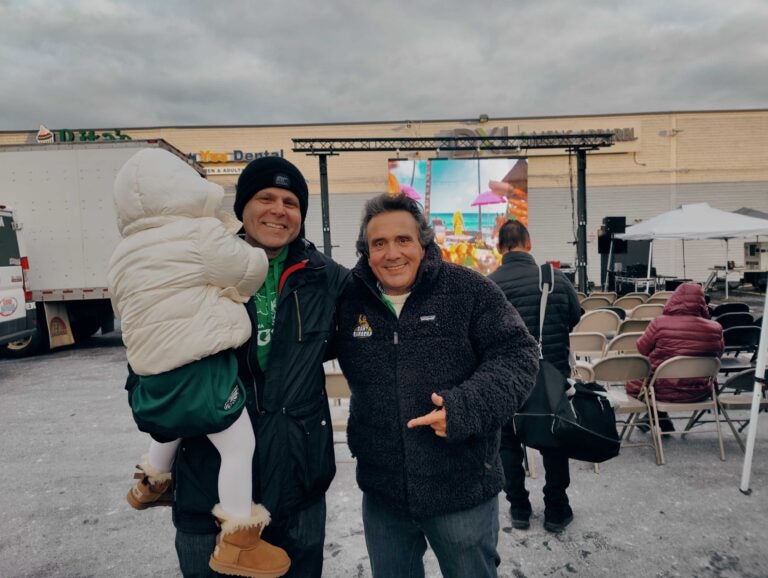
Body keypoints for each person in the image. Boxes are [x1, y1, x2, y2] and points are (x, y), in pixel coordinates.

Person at [334, 192, 539, 577]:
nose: (392, 253)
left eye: (403, 240)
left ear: (424, 243)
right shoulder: (349, 301)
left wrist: (464, 409)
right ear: (366, 252)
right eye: (379, 243)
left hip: (462, 488)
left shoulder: (469, 291)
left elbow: (519, 355)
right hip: (383, 493)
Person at [162, 156, 349, 577]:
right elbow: (151, 348)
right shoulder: (200, 270)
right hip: (208, 491)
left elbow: (380, 321)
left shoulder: (325, 277)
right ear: (242, 207)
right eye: (266, 197)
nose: (279, 209)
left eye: (291, 201)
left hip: (298, 489)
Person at [109, 149, 290, 577]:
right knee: (238, 445)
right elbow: (246, 272)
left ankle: (150, 481)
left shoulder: (123, 253)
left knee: (172, 421)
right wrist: (247, 265)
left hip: (151, 371)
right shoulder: (199, 235)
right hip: (199, 366)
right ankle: (239, 540)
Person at [487, 220, 582, 534]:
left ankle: (519, 508)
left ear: (500, 247)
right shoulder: (554, 279)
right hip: (551, 378)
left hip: (505, 380)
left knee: (507, 444)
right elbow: (574, 318)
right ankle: (556, 509)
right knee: (556, 441)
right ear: (528, 243)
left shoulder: (488, 285)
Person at [626, 283, 723, 419]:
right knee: (655, 380)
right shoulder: (716, 328)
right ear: (702, 303)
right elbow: (718, 355)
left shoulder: (659, 323)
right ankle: (659, 419)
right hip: (700, 390)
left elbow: (642, 349)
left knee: (644, 380)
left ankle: (657, 418)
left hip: (661, 390)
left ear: (674, 299)